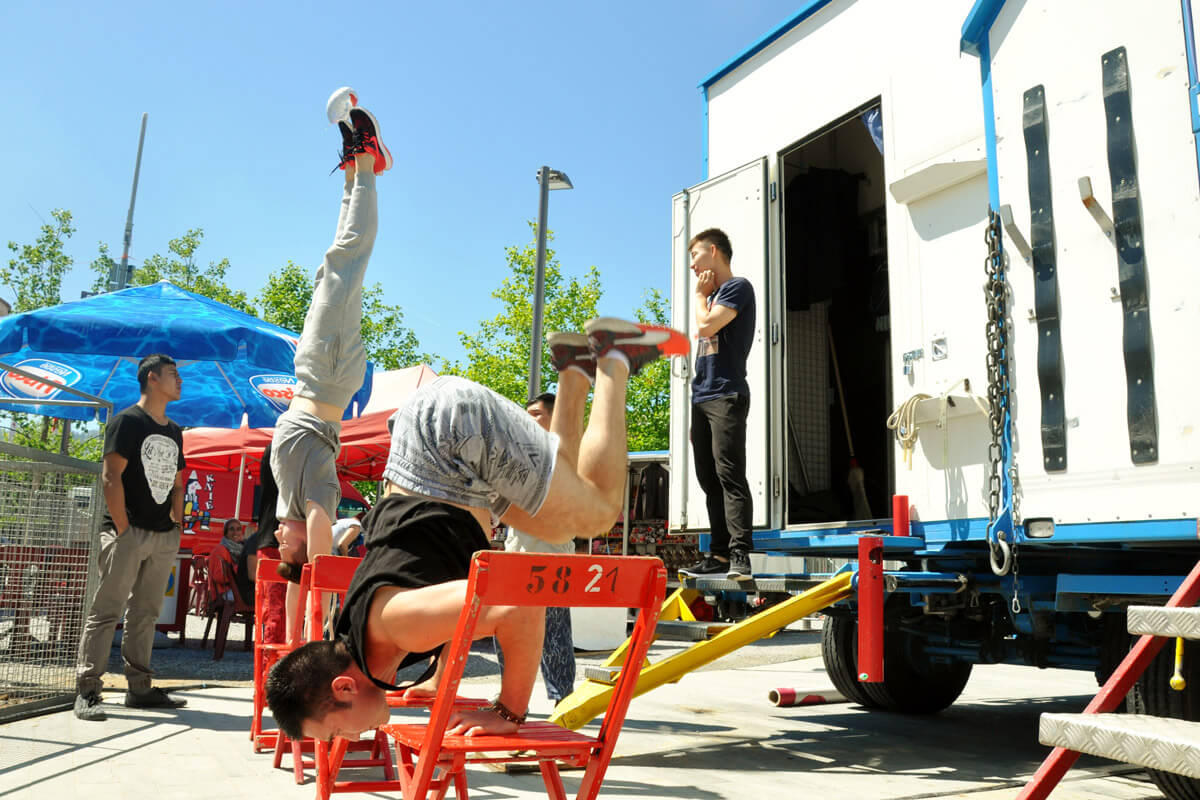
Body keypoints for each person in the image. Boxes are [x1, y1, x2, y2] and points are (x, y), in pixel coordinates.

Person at [266, 316, 688, 743]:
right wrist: (435, 680)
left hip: (445, 443)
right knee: (560, 523)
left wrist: (508, 710)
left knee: (596, 514)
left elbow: (517, 606)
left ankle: (615, 357)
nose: (350, 738)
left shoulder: (394, 626)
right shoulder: (372, 648)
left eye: (336, 730)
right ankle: (576, 368)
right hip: (440, 467)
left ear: (344, 687)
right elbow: (452, 609)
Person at [269, 86, 392, 631]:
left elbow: (292, 575)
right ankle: (366, 163)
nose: (275, 541)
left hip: (320, 376)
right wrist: (311, 614)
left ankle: (352, 173)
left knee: (332, 270)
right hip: (326, 373)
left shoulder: (286, 506)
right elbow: (317, 561)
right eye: (284, 551)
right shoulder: (315, 501)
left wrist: (294, 617)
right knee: (344, 262)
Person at [74, 353, 189, 720]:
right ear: (152, 378)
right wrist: (123, 530)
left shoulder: (174, 430)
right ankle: (88, 691)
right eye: (173, 374)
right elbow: (110, 477)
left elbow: (177, 481)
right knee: (106, 612)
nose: (180, 380)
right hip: (125, 533)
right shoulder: (126, 421)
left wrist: (177, 524)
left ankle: (139, 690)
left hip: (162, 535)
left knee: (146, 615)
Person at [679, 228, 757, 581]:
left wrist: (699, 296)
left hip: (726, 395)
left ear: (713, 251)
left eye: (695, 255)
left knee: (729, 474)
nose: (692, 264)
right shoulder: (713, 295)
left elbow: (706, 326)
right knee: (708, 478)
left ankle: (741, 553)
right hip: (702, 396)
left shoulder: (737, 287)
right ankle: (719, 555)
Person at [497, 392, 577, 706]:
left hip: (551, 560)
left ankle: (563, 701)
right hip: (518, 557)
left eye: (535, 414)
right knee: (507, 630)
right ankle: (510, 700)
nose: (526, 420)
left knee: (554, 634)